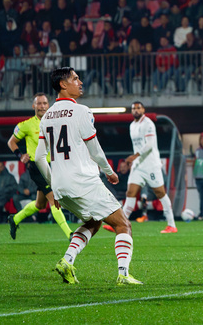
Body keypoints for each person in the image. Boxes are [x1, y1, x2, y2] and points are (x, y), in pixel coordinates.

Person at [35, 67, 142, 285]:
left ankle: (67, 260)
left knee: (93, 222)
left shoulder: (46, 117)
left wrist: (52, 186)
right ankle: (123, 274)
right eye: (75, 78)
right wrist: (110, 172)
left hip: (61, 186)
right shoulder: (82, 111)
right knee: (123, 225)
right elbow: (95, 150)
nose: (80, 82)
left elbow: (38, 158)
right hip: (84, 182)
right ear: (63, 85)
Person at [7, 93, 73, 240]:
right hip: (37, 167)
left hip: (53, 165)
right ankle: (70, 234)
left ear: (48, 105)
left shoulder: (54, 122)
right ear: (34, 106)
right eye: (39, 103)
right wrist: (20, 155)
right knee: (53, 198)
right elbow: (11, 142)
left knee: (40, 204)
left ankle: (15, 219)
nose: (42, 106)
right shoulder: (26, 125)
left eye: (44, 103)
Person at [113, 102, 177, 233]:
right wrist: (135, 159)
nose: (136, 110)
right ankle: (122, 224)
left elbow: (150, 145)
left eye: (138, 108)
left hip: (151, 165)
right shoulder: (132, 126)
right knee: (130, 192)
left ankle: (172, 225)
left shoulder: (148, 124)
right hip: (138, 165)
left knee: (160, 193)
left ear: (143, 110)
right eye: (133, 108)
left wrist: (134, 156)